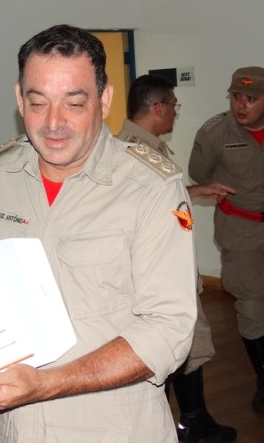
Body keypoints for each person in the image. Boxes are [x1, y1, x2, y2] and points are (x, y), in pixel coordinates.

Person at [0, 24, 198, 442]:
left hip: (112, 428)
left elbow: (168, 328)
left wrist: (47, 384)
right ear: (19, 99)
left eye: (74, 103)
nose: (54, 122)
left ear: (104, 100)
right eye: (38, 102)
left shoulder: (151, 188)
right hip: (13, 429)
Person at [118, 74, 237, 443]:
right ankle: (173, 426)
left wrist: (194, 191)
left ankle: (192, 419)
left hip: (167, 266)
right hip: (160, 272)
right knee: (169, 349)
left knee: (187, 345)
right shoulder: (135, 151)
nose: (175, 112)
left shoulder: (144, 148)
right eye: (173, 105)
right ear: (158, 108)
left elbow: (156, 197)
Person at [189, 66, 264, 414]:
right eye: (236, 96)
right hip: (241, 230)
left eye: (251, 98)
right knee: (252, 306)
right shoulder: (216, 132)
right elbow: (200, 174)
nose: (241, 105)